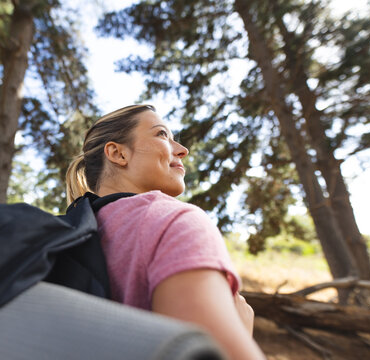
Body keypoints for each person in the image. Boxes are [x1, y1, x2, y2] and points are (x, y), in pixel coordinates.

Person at [66, 104, 266, 360]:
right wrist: (242, 331)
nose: (183, 150)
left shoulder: (75, 230)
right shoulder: (174, 221)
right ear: (118, 153)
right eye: (162, 134)